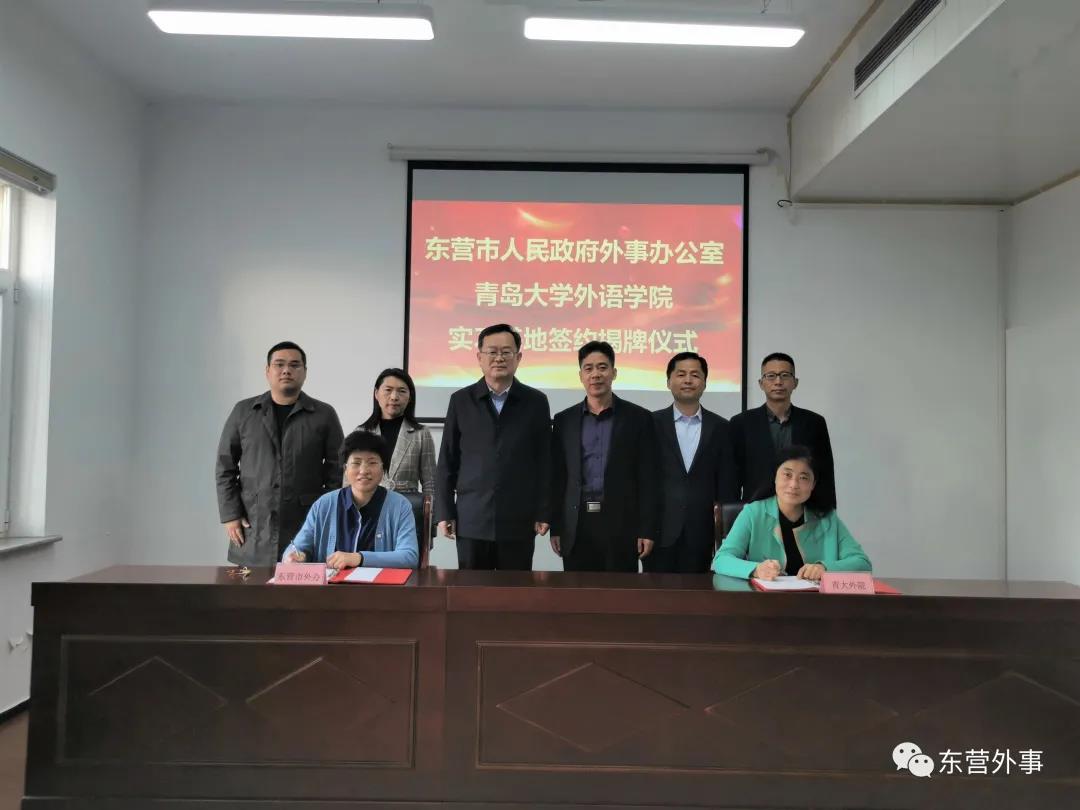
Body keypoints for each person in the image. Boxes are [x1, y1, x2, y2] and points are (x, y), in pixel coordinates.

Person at [216, 341, 344, 566]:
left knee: (300, 585)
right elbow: (225, 466)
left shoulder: (323, 414)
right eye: (279, 364)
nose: (286, 370)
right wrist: (231, 514)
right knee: (251, 587)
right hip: (254, 522)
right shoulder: (244, 412)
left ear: (305, 372)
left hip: (305, 522)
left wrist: (324, 513)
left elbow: (338, 468)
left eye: (294, 365)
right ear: (267, 371)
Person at [435, 324, 551, 570]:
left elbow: (545, 462)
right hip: (472, 519)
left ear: (518, 357)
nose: (499, 358)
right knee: (471, 589)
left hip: (519, 519)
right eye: (492, 352)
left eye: (506, 352)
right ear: (479, 357)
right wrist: (444, 511)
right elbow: (447, 461)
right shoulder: (461, 401)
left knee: (515, 590)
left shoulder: (536, 402)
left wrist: (543, 511)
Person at [550, 341, 659, 573]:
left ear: (614, 372)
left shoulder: (639, 418)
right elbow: (558, 477)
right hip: (577, 524)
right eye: (588, 368)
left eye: (602, 367)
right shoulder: (564, 421)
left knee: (620, 592)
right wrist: (557, 528)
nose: (596, 374)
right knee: (577, 590)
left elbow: (649, 478)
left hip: (622, 525)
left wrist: (647, 529)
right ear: (580, 375)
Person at [711, 445, 870, 581]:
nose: (794, 484)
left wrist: (825, 568)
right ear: (775, 477)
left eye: (803, 478)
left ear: (813, 484)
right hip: (764, 602)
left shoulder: (827, 518)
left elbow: (862, 563)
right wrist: (756, 570)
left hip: (816, 602)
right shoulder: (753, 513)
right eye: (787, 475)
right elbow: (721, 560)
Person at [648, 352, 738, 573]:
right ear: (668, 381)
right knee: (655, 593)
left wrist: (725, 533)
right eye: (681, 374)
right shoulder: (650, 423)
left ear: (705, 383)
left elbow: (727, 484)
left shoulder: (722, 427)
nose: (688, 380)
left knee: (699, 593)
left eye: (695, 375)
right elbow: (641, 479)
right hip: (658, 531)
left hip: (702, 532)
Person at [282, 431, 419, 569]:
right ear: (345, 469)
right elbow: (298, 547)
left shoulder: (400, 506)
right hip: (332, 583)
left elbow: (409, 556)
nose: (363, 470)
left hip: (380, 583)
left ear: (383, 469)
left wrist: (359, 558)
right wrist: (293, 556)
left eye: (372, 462)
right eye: (356, 463)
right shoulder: (324, 504)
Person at [730, 352, 836, 507]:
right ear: (761, 383)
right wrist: (732, 514)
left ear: (795, 382)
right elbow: (732, 477)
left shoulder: (814, 423)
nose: (778, 381)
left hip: (803, 510)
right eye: (771, 376)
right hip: (757, 510)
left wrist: (827, 513)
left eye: (785, 375)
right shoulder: (741, 423)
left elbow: (825, 474)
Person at [353, 368, 436, 497]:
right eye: (388, 390)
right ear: (376, 393)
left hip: (408, 505)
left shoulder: (421, 434)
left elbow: (430, 483)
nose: (394, 397)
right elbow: (350, 479)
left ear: (410, 397)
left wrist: (429, 508)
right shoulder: (361, 433)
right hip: (368, 504)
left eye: (401, 391)